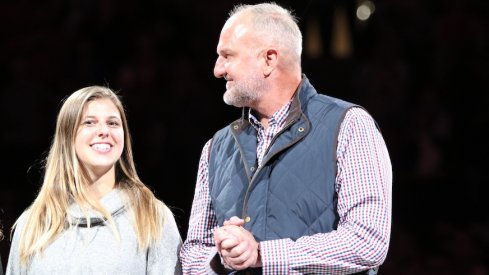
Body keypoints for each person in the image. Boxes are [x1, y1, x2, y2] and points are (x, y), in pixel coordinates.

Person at [180, 2, 392, 274]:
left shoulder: (349, 125)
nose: (218, 69)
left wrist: (262, 254)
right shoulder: (216, 148)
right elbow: (193, 255)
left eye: (227, 56)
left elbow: (368, 241)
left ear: (269, 59)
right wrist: (224, 256)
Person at [6, 86, 182, 274]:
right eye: (89, 122)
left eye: (113, 123)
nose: (104, 131)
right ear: (68, 136)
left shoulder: (152, 216)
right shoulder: (33, 223)